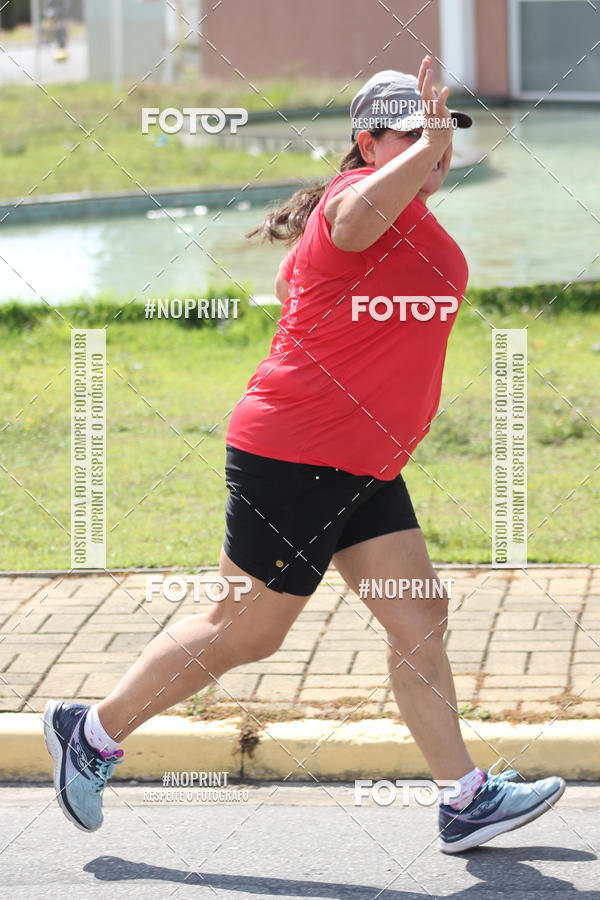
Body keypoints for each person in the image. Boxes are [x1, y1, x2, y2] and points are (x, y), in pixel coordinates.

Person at [44, 57, 565, 853]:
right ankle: (91, 733)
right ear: (367, 144)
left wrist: (419, 154)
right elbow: (354, 221)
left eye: (443, 134)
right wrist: (419, 154)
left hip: (364, 467)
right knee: (245, 630)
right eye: (413, 135)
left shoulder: (411, 222)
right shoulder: (348, 207)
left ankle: (464, 799)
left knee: (419, 613)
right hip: (297, 459)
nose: (436, 148)